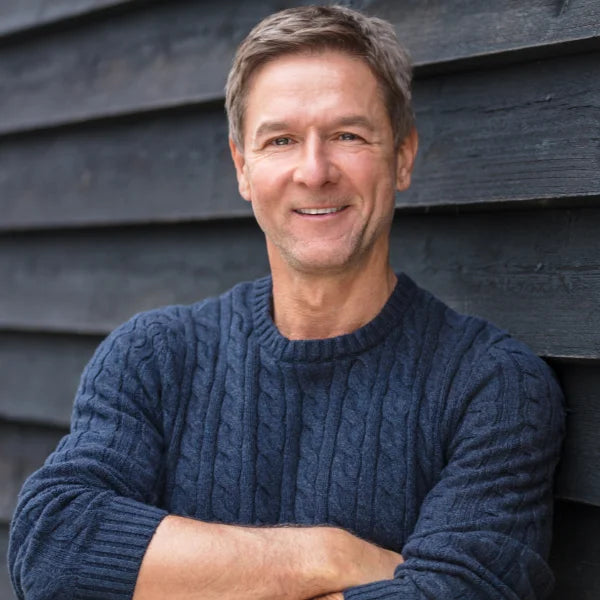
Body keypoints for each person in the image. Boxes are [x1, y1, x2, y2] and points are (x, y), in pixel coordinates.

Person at [9, 5, 564, 600]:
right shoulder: (154, 358)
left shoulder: (491, 385)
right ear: (242, 168)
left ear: (401, 156)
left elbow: (457, 592)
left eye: (348, 135)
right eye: (281, 140)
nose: (314, 170)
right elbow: (53, 545)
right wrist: (324, 557)